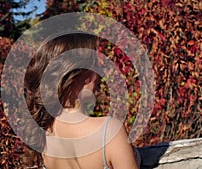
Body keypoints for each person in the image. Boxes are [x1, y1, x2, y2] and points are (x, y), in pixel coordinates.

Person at [23, 33, 140, 169]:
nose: (100, 73)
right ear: (77, 75)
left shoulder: (43, 136)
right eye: (95, 65)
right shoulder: (109, 132)